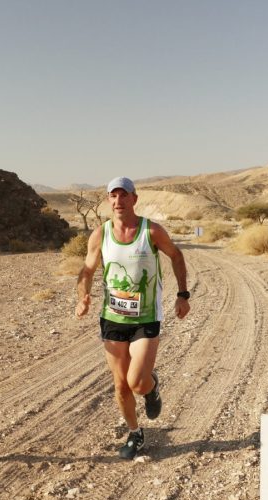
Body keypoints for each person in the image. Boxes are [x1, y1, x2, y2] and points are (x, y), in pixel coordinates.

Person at [75, 177, 190, 459]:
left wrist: (183, 294)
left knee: (137, 382)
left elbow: (176, 256)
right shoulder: (100, 234)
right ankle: (135, 433)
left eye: (123, 195)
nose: (118, 201)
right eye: (113, 196)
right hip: (112, 319)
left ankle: (151, 387)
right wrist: (83, 297)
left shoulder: (151, 231)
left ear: (134, 199)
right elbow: (88, 269)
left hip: (146, 317)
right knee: (120, 384)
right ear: (107, 201)